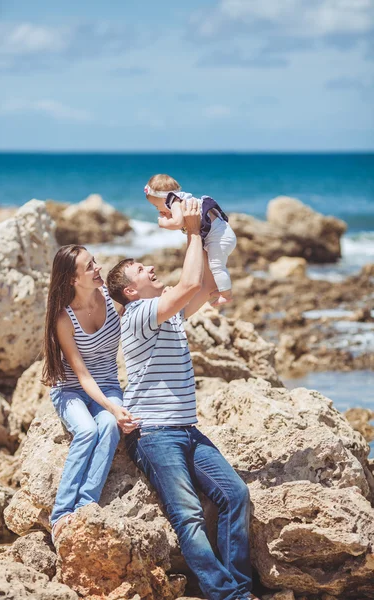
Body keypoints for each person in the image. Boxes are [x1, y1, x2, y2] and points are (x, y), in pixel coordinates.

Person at [107, 201, 256, 600]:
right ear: (130, 290)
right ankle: (227, 595)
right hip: (154, 435)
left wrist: (208, 233)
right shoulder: (138, 314)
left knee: (235, 495)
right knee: (187, 516)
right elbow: (189, 286)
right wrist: (189, 231)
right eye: (141, 269)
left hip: (187, 430)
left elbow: (204, 287)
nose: (151, 268)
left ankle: (239, 586)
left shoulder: (167, 314)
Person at [42, 244, 138, 544]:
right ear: (72, 279)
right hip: (70, 390)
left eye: (94, 261)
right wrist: (112, 406)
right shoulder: (63, 318)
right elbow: (82, 376)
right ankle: (60, 515)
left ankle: (86, 505)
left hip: (109, 384)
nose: (97, 268)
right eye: (89, 266)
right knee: (86, 430)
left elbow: (144, 305)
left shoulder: (111, 300)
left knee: (109, 426)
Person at [144, 173, 237, 306]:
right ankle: (219, 288)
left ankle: (226, 295)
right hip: (220, 234)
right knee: (211, 267)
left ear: (164, 198)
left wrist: (162, 223)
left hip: (221, 237)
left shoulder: (174, 201)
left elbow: (178, 222)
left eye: (156, 205)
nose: (158, 210)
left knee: (217, 266)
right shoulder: (181, 199)